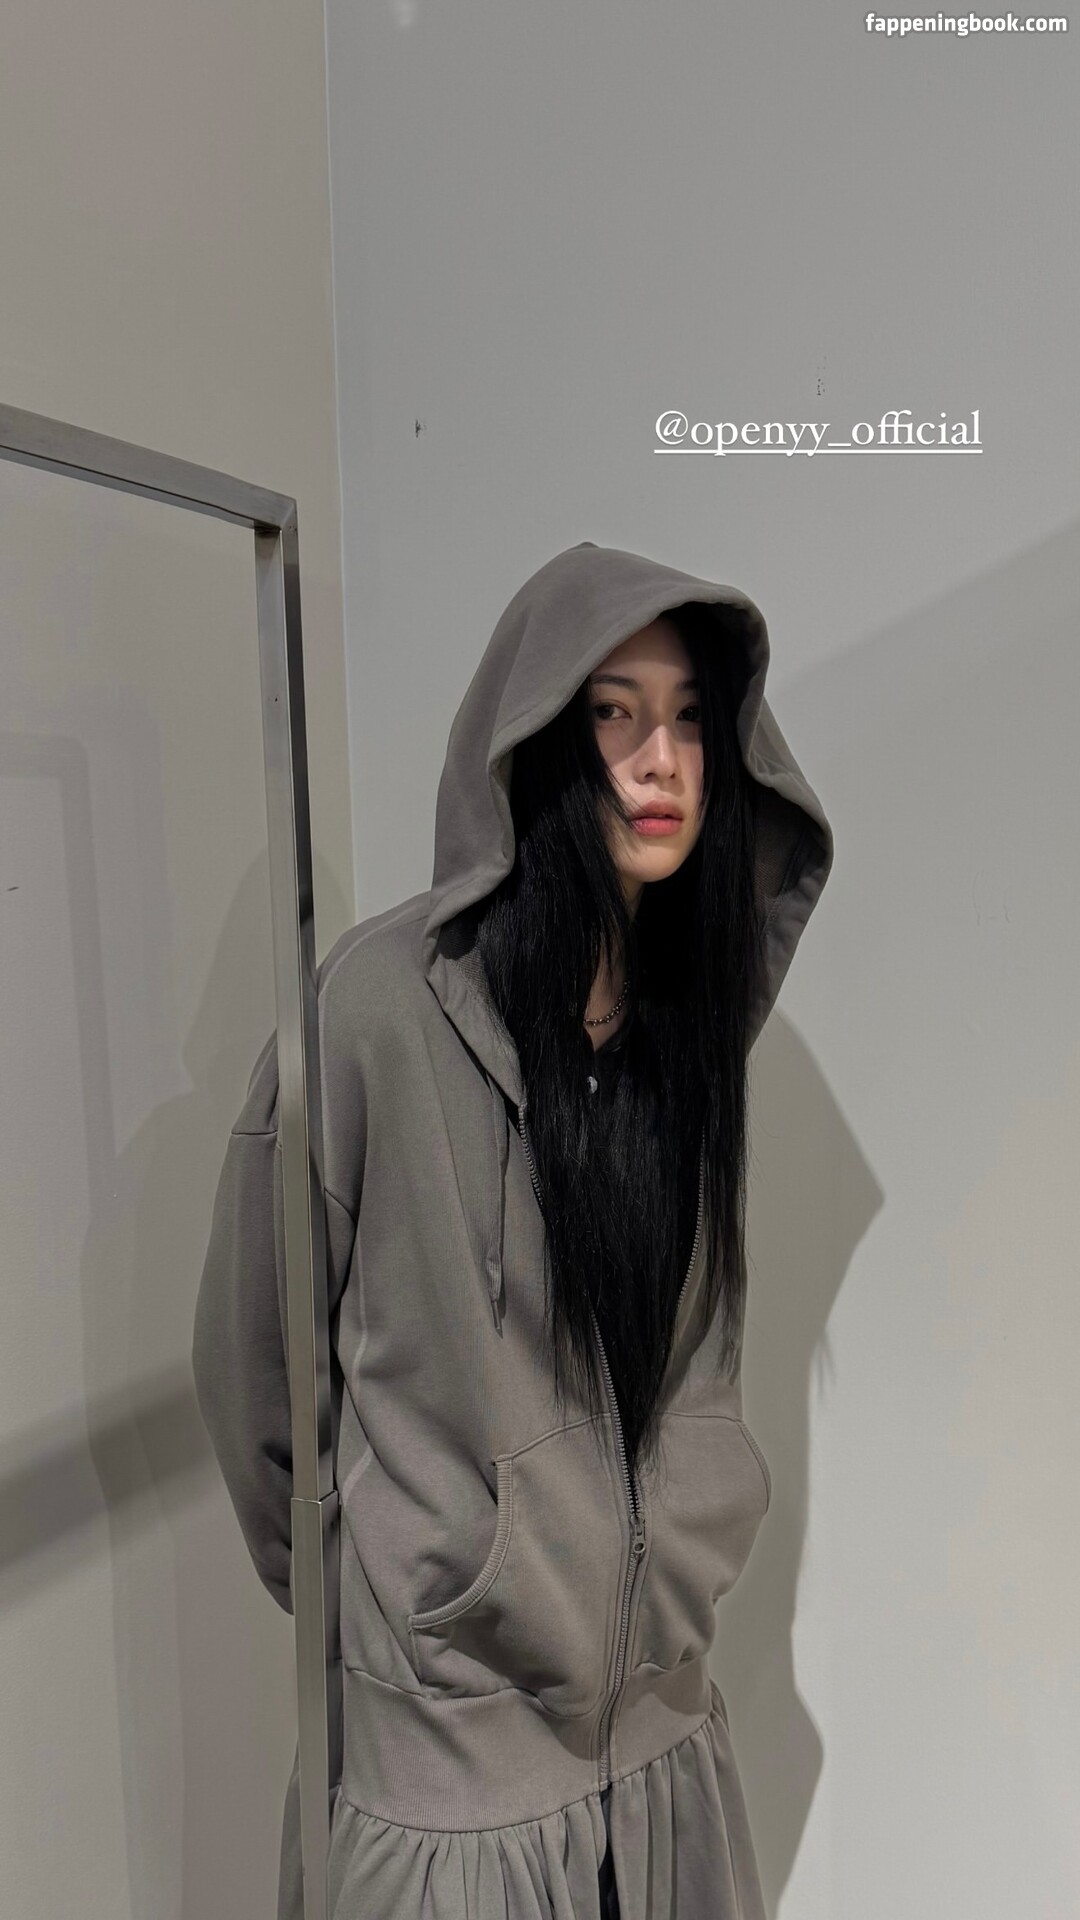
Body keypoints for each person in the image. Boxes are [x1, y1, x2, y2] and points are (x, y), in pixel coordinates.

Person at [192, 539, 835, 1920]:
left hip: (664, 1768)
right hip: (452, 1807)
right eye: (613, 712)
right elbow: (256, 1384)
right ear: (537, 736)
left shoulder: (688, 1037)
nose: (660, 759)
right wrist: (414, 1616)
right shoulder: (373, 1011)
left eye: (690, 718)